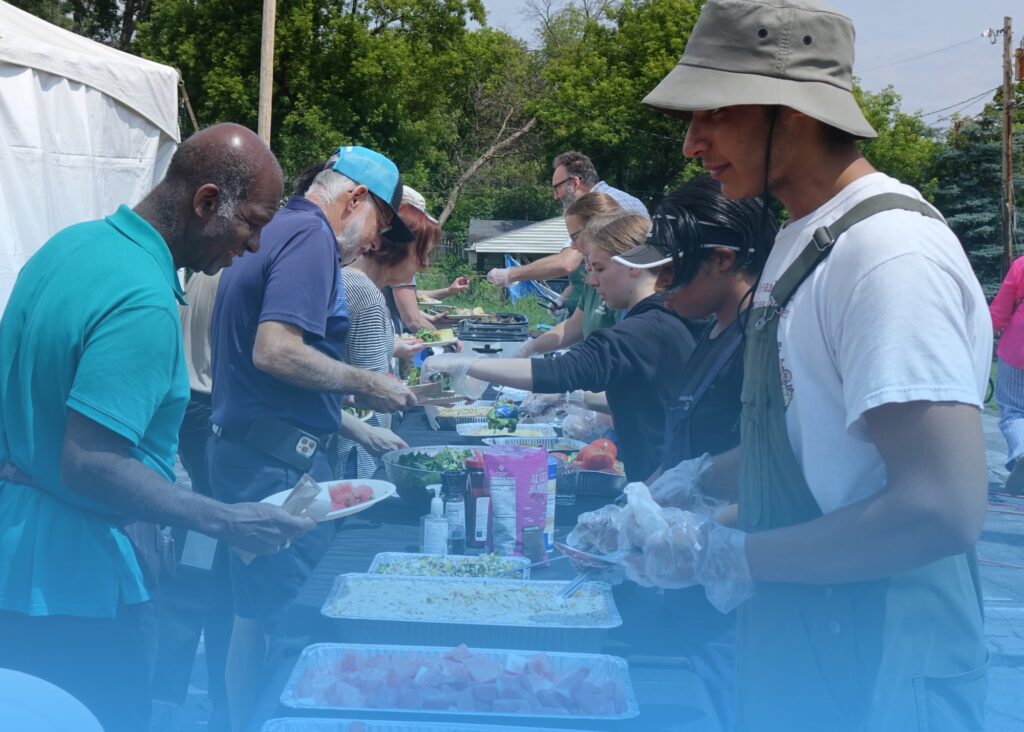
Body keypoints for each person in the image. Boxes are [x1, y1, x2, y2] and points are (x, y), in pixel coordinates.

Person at [571, 2, 992, 730]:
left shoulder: (887, 256)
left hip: (877, 658)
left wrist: (726, 555)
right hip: (803, 635)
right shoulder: (805, 238)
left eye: (712, 114)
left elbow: (939, 509)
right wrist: (694, 484)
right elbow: (816, 442)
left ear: (791, 113)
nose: (691, 145)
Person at [0, 123, 315, 732]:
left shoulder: (70, 246)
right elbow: (89, 461)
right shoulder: (142, 299)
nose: (252, 246)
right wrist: (225, 519)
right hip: (77, 590)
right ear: (204, 203)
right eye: (251, 222)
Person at [207, 144, 417, 730]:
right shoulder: (310, 239)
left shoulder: (277, 229)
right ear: (355, 198)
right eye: (379, 223)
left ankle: (238, 719)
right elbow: (275, 352)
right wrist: (365, 383)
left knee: (251, 617)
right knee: (276, 621)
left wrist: (345, 421)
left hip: (255, 449)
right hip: (271, 466)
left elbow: (263, 372)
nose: (375, 242)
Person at [613, 175, 777, 729]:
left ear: (724, 259)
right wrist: (646, 499)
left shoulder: (763, 339)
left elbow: (784, 465)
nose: (658, 285)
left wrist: (699, 535)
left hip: (734, 592)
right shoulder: (710, 326)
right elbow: (689, 442)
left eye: (669, 269)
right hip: (690, 576)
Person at [427, 211, 697, 482]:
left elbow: (562, 370)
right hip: (662, 477)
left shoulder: (646, 329)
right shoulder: (661, 318)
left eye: (600, 268)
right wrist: (571, 398)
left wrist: (469, 364)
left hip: (662, 479)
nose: (592, 281)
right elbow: (647, 400)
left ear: (634, 265)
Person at [330, 186, 445, 479]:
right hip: (356, 449)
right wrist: (425, 393)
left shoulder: (348, 280)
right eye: (421, 254)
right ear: (394, 248)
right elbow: (373, 391)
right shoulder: (366, 294)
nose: (425, 264)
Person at [486, 151, 648, 290]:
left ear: (575, 182)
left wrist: (508, 275)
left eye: (557, 187)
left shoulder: (598, 208)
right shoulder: (628, 199)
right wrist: (565, 297)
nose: (555, 196)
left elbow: (566, 263)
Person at [518, 191, 625, 359]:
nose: (573, 246)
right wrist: (528, 349)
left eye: (575, 237)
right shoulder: (593, 276)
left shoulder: (621, 284)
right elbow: (575, 325)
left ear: (599, 228)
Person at [990, 256, 1024, 494]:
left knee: (1014, 410)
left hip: (1017, 348)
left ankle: (1022, 451)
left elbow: (999, 313)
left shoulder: (1021, 265)